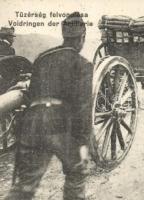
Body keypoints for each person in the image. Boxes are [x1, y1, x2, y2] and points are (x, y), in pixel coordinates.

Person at [5, 12, 93, 200]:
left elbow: (32, 95)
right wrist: (83, 144)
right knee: (76, 174)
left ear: (64, 35)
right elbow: (83, 109)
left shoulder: (43, 57)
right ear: (82, 38)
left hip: (32, 124)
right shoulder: (83, 64)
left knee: (26, 185)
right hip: (59, 125)